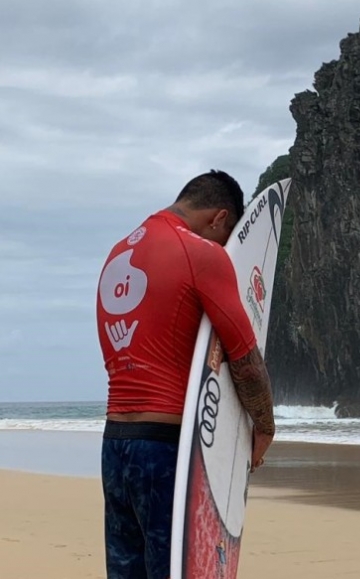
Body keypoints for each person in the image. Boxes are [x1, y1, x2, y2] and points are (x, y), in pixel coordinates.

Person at [95, 169, 275, 579]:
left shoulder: (116, 255)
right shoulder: (199, 253)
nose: (222, 249)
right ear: (219, 218)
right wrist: (264, 427)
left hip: (115, 446)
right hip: (167, 450)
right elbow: (245, 358)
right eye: (225, 239)